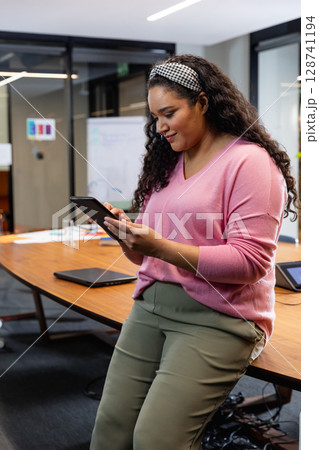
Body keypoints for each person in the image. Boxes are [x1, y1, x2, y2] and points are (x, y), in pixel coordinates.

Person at [90, 54, 298, 450]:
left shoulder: (249, 162)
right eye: (154, 117)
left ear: (203, 102)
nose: (160, 126)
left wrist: (161, 246)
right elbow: (147, 258)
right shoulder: (167, 164)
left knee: (155, 440)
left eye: (169, 113)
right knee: (110, 431)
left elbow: (251, 263)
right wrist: (129, 238)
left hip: (219, 317)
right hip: (150, 305)